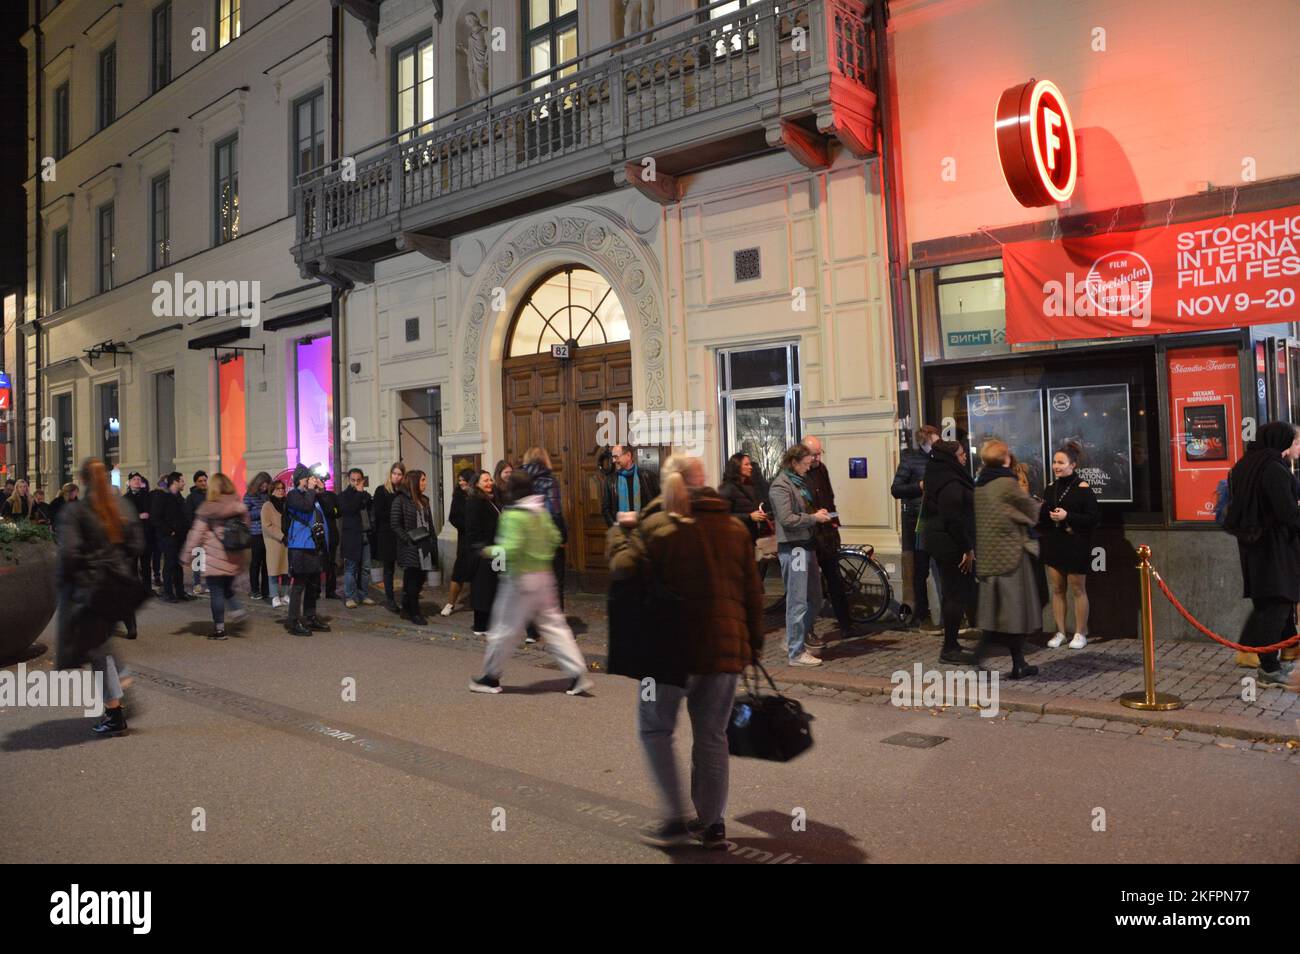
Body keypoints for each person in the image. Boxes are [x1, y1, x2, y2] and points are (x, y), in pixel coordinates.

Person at [606, 454, 763, 848]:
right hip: (724, 654)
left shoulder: (657, 526)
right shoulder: (733, 527)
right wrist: (752, 646)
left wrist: (621, 530)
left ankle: (675, 816)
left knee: (655, 729)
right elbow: (753, 595)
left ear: (668, 484)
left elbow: (622, 569)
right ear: (704, 481)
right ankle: (712, 824)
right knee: (712, 736)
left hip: (669, 653)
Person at [469, 470, 593, 696]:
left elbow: (511, 549)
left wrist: (487, 551)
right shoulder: (540, 512)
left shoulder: (513, 515)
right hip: (544, 577)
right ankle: (578, 675)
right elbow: (555, 538)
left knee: (504, 629)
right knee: (555, 627)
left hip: (519, 580)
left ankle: (491, 677)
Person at [56, 458, 147, 736]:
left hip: (92, 590)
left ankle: (114, 710)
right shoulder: (121, 506)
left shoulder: (77, 511)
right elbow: (137, 544)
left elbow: (70, 553)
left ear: (83, 480)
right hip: (119, 586)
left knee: (96, 650)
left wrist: (69, 579)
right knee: (103, 642)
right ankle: (121, 680)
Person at [1222, 420, 1300, 688]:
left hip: (1254, 547)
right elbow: (1288, 513)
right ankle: (1269, 667)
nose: (1295, 446)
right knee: (1277, 603)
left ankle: (1281, 655)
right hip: (1275, 548)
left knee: (1268, 603)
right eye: (1293, 441)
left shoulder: (1246, 464)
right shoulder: (1272, 469)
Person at [972, 439, 1041, 679]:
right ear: (1006, 459)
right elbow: (1030, 510)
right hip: (1011, 556)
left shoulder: (980, 485)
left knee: (996, 613)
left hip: (989, 556)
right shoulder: (1006, 483)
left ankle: (1016, 662)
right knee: (1015, 613)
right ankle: (988, 657)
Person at [769, 443, 832, 667]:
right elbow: (787, 519)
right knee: (797, 601)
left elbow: (802, 511)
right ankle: (795, 652)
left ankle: (791, 639)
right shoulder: (781, 486)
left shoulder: (799, 482)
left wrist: (816, 514)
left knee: (815, 598)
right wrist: (814, 518)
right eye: (805, 464)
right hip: (794, 547)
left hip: (806, 543)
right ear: (794, 463)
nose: (808, 467)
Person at [1038, 441, 1100, 650]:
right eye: (1055, 462)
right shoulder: (1050, 488)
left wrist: (1068, 516)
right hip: (1055, 542)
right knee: (1057, 588)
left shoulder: (1083, 488)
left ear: (1073, 465)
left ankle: (1080, 633)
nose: (1057, 466)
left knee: (1077, 589)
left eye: (1061, 462)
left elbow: (1093, 518)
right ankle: (1061, 632)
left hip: (1076, 543)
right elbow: (1044, 518)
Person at [921, 440, 978, 664]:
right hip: (950, 544)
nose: (965, 457)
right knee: (955, 594)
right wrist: (967, 548)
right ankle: (950, 648)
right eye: (962, 454)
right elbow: (953, 519)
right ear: (952, 457)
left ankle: (952, 643)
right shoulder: (950, 482)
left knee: (953, 593)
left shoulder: (937, 473)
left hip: (942, 540)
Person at [183, 472, 251, 640]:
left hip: (214, 556)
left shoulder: (208, 508)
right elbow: (246, 527)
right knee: (228, 588)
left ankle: (220, 629)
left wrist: (187, 554)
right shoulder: (238, 505)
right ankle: (237, 610)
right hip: (234, 555)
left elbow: (196, 534)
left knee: (217, 592)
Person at [802, 435, 857, 636]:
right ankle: (808, 629)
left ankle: (846, 624)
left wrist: (834, 524)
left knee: (835, 579)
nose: (817, 458)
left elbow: (829, 497)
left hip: (826, 533)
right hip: (808, 535)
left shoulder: (821, 469)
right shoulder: (797, 474)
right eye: (813, 454)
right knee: (808, 586)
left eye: (819, 453)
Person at [892, 424, 941, 630]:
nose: (939, 445)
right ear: (926, 441)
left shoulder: (939, 460)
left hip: (938, 519)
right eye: (935, 441)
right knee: (920, 569)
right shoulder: (910, 459)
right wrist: (918, 486)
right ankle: (921, 612)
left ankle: (941, 614)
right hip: (918, 521)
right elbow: (896, 489)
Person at [284, 465, 332, 636]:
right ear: (300, 479)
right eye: (308, 478)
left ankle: (310, 617)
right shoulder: (293, 495)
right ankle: (294, 621)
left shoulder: (313, 495)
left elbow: (331, 510)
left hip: (314, 545)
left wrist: (322, 490)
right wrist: (311, 490)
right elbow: (304, 507)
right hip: (299, 546)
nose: (310, 480)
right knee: (299, 585)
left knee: (313, 584)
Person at [522, 447, 567, 610]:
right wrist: (562, 537)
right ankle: (554, 629)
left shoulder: (519, 479)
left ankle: (532, 633)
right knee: (554, 585)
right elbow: (554, 511)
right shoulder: (549, 481)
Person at [391, 469, 435, 624]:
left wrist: (433, 543)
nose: (425, 483)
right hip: (410, 546)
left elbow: (430, 524)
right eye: (422, 480)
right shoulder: (400, 500)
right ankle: (414, 612)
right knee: (412, 579)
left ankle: (407, 606)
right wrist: (408, 539)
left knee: (421, 578)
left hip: (424, 544)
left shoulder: (424, 500)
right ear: (414, 482)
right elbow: (395, 524)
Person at [464, 469, 501, 635]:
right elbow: (473, 529)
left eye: (490, 480)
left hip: (495, 549)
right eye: (485, 480)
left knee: (491, 588)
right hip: (484, 551)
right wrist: (482, 548)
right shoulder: (474, 502)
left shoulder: (490, 500)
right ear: (476, 483)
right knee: (482, 589)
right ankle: (480, 625)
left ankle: (489, 624)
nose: (489, 483)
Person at [371, 462, 406, 613]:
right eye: (394, 474)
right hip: (386, 534)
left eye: (399, 474)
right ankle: (390, 599)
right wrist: (395, 516)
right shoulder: (382, 490)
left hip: (401, 534)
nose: (396, 477)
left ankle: (406, 597)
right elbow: (378, 512)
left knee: (405, 566)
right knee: (389, 568)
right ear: (390, 474)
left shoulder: (404, 492)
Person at [441, 467, 477, 616]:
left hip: (478, 539)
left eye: (464, 480)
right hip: (465, 539)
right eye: (460, 480)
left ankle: (479, 603)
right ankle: (450, 603)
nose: (461, 483)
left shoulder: (478, 496)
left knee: (479, 572)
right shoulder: (458, 497)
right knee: (459, 572)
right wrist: (466, 526)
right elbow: (453, 517)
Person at [152, 473, 193, 603]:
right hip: (168, 537)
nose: (184, 483)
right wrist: (169, 531)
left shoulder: (179, 497)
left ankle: (180, 591)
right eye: (182, 481)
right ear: (175, 482)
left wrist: (186, 531)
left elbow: (184, 516)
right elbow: (156, 518)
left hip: (180, 536)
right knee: (169, 564)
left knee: (178, 565)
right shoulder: (162, 497)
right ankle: (168, 592)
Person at [339, 468, 376, 609]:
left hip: (365, 535)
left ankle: (363, 595)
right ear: (349, 480)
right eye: (353, 480)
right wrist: (358, 494)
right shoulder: (344, 496)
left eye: (358, 480)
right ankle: (349, 596)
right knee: (350, 569)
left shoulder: (365, 495)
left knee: (365, 568)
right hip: (351, 537)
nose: (356, 483)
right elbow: (349, 510)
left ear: (363, 480)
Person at [601, 444, 661, 528]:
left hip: (644, 532)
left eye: (616, 457)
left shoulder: (647, 476)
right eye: (613, 457)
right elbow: (606, 509)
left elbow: (658, 504)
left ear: (628, 455)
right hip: (621, 533)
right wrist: (614, 527)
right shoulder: (610, 481)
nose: (613, 461)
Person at [244, 472, 272, 600]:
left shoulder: (269, 496)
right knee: (256, 562)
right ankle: (254, 589)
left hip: (268, 533)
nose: (264, 488)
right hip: (256, 533)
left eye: (266, 486)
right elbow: (244, 514)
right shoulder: (249, 496)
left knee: (267, 563)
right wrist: (261, 511)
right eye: (262, 485)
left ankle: (266, 590)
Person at [261, 480, 290, 607]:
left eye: (282, 488)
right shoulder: (267, 505)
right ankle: (274, 596)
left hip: (287, 541)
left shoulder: (287, 504)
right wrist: (281, 535)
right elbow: (267, 525)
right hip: (274, 541)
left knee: (286, 570)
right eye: (278, 488)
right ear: (272, 490)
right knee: (273, 570)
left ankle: (285, 594)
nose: (281, 490)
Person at [124, 473, 153, 586]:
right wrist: (138, 516)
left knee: (146, 564)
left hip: (145, 534)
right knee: (132, 564)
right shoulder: (125, 499)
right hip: (132, 536)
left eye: (139, 479)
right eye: (134, 479)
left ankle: (147, 587)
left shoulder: (147, 496)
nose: (137, 481)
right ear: (129, 482)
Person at [318, 476, 342, 600]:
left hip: (331, 535)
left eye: (322, 480)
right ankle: (315, 590)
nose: (320, 482)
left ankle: (330, 591)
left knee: (331, 564)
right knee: (316, 564)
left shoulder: (330, 496)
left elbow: (336, 512)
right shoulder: (310, 496)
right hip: (316, 536)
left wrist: (323, 495)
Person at [185, 471, 208, 595]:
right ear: (195, 482)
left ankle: (209, 583)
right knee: (198, 559)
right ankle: (197, 583)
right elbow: (188, 516)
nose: (203, 483)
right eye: (200, 481)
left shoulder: (211, 494)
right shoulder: (191, 497)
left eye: (205, 480)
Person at [146, 474, 168, 587]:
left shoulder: (152, 495)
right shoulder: (159, 495)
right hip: (156, 530)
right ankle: (157, 575)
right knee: (157, 554)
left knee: (156, 554)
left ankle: (157, 575)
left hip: (155, 529)